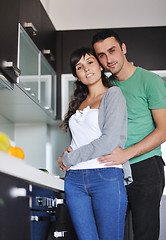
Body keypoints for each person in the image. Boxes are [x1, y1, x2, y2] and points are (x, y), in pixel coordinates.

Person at [92, 30, 166, 240]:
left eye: (112, 51)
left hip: (146, 166)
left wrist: (127, 154)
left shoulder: (150, 81)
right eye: (101, 55)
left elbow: (164, 129)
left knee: (144, 233)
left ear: (123, 49)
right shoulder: (105, 87)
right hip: (112, 169)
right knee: (111, 234)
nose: (108, 60)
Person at [57, 47, 132, 240]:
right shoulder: (79, 103)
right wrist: (68, 153)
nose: (86, 69)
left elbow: (108, 141)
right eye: (79, 67)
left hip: (105, 176)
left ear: (100, 65)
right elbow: (81, 139)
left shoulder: (113, 95)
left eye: (90, 62)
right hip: (74, 181)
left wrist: (69, 158)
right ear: (77, 75)